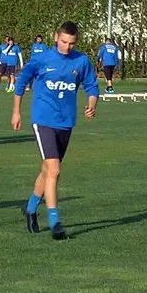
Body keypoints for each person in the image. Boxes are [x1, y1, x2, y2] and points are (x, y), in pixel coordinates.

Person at [13, 21, 99, 241]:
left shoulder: (81, 61)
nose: (67, 47)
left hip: (66, 122)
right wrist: (16, 112)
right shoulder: (42, 59)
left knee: (47, 170)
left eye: (71, 43)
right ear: (55, 37)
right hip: (43, 120)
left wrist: (92, 104)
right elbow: (22, 81)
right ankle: (55, 222)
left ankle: (31, 208)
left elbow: (92, 86)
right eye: (63, 42)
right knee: (54, 170)